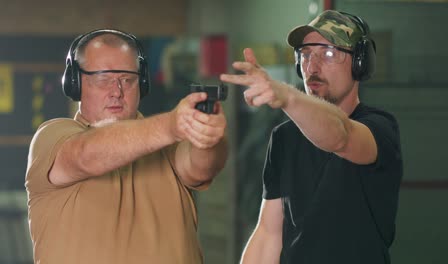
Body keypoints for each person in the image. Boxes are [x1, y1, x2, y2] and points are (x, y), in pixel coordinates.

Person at [25, 29, 228, 264]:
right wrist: (171, 125)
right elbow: (84, 155)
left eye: (127, 80)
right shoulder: (53, 137)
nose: (116, 92)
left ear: (142, 83)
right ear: (75, 83)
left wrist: (207, 134)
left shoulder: (168, 146)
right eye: (103, 79)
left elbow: (202, 167)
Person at [221, 10, 403, 264]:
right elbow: (268, 235)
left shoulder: (379, 129)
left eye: (328, 54)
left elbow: (340, 136)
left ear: (360, 63)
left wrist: (287, 96)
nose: (312, 67)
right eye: (305, 55)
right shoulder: (284, 138)